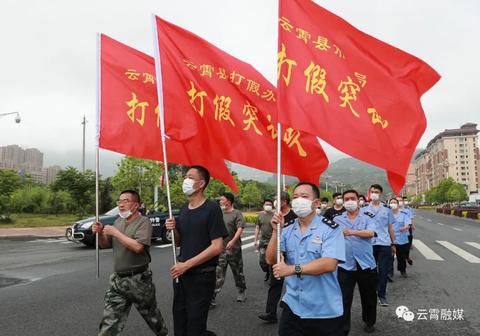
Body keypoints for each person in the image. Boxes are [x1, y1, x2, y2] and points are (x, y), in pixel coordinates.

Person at [266, 182, 346, 336]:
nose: (298, 200)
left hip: (324, 310)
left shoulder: (330, 229)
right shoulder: (287, 229)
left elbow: (329, 263)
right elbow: (270, 259)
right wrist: (276, 232)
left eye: (304, 196)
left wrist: (291, 269)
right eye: (295, 197)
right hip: (293, 306)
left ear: (315, 203)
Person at [92, 189, 168, 336]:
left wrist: (115, 232)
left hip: (138, 280)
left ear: (136, 205)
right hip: (118, 280)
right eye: (119, 201)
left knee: (152, 318)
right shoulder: (118, 222)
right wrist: (100, 232)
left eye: (126, 201)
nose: (121, 205)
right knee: (109, 323)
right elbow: (105, 245)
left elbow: (138, 247)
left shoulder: (143, 222)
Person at [165, 165, 228, 336]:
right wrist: (173, 229)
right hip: (181, 275)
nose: (185, 180)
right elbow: (180, 242)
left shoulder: (211, 208)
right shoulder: (184, 209)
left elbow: (217, 247)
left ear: (201, 184)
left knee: (195, 324)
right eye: (186, 176)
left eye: (190, 177)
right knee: (180, 321)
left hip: (201, 276)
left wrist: (187, 265)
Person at [335, 190, 377, 335]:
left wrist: (351, 232)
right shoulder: (337, 219)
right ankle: (344, 327)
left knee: (369, 297)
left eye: (352, 198)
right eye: (346, 199)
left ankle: (369, 321)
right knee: (344, 299)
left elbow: (371, 233)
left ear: (358, 200)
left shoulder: (368, 216)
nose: (349, 201)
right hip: (345, 265)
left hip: (366, 264)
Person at [258, 191, 297, 324]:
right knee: (275, 281)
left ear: (284, 201)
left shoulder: (295, 215)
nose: (274, 203)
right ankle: (271, 312)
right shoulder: (275, 216)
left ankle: (293, 306)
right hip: (277, 251)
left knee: (296, 280)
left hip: (293, 253)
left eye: (277, 200)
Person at [211, 192, 247, 307]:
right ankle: (212, 297)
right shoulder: (219, 214)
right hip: (220, 250)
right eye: (220, 200)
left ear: (229, 201)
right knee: (218, 274)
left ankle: (241, 291)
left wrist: (232, 241)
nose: (220, 202)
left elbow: (240, 228)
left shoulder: (237, 214)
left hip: (234, 249)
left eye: (222, 200)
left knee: (238, 272)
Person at [362, 184, 396, 307]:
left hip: (384, 243)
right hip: (368, 243)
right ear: (369, 193)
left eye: (376, 191)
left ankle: (382, 295)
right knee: (370, 271)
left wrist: (393, 243)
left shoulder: (387, 209)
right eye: (372, 191)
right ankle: (371, 293)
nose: (374, 193)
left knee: (383, 271)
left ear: (380, 193)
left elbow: (390, 227)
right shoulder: (363, 209)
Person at [389, 198, 411, 278]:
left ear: (398, 204)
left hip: (401, 239)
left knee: (401, 257)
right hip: (390, 239)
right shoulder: (386, 214)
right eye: (391, 202)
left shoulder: (403, 214)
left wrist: (404, 228)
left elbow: (408, 224)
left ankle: (402, 270)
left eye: (395, 202)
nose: (393, 204)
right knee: (390, 257)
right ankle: (390, 272)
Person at [254, 198, 275, 282]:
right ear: (263, 205)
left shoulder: (274, 215)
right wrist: (255, 240)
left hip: (272, 241)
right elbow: (257, 227)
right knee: (262, 261)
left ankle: (271, 276)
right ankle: (267, 272)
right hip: (262, 241)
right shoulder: (260, 215)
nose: (268, 206)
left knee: (271, 260)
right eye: (267, 204)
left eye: (270, 205)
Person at [402, 197, 416, 265]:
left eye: (406, 200)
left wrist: (412, 225)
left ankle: (407, 256)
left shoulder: (409, 209)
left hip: (408, 227)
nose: (405, 202)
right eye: (404, 200)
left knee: (408, 242)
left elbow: (411, 218)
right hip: (399, 228)